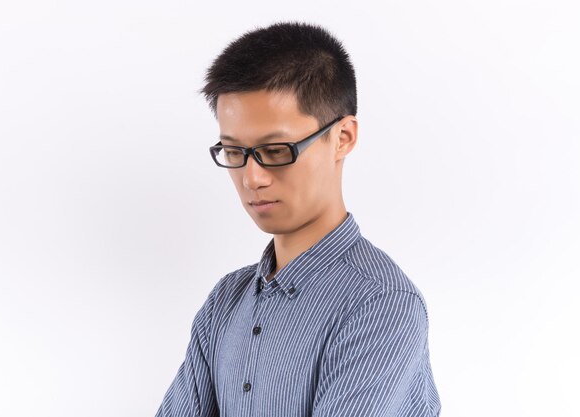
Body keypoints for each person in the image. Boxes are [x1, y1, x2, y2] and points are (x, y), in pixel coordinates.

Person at [155, 22, 441, 417]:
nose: (252, 177)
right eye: (234, 151)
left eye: (275, 150)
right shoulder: (225, 301)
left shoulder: (380, 304)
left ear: (343, 137)